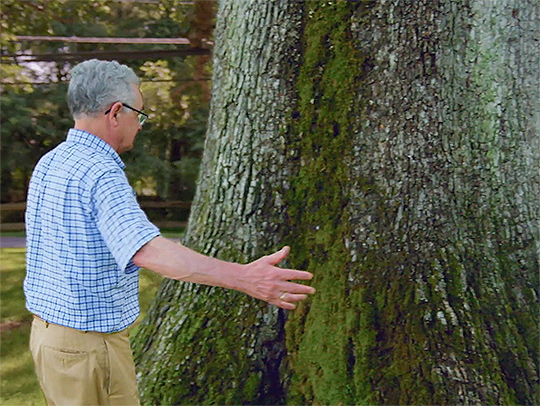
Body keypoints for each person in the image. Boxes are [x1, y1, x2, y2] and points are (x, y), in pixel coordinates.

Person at [24, 59, 316, 406]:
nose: (141, 125)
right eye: (139, 114)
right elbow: (146, 250)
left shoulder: (52, 162)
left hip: (48, 339)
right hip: (88, 348)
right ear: (115, 112)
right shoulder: (100, 173)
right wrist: (246, 278)